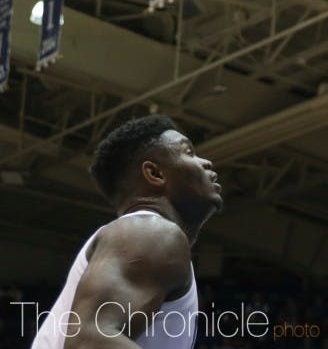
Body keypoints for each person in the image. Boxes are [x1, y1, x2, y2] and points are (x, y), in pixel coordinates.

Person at [33, 116, 223, 348]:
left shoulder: (143, 237)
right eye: (189, 152)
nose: (206, 162)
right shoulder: (150, 232)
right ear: (155, 173)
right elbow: (89, 342)